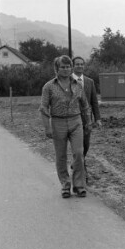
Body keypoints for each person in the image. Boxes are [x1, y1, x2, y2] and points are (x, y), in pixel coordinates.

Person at [40, 55, 91, 198]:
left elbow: (85, 105)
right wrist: (47, 127)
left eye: (68, 66)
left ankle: (79, 185)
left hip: (76, 122)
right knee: (61, 156)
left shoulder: (77, 84)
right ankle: (65, 185)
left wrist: (88, 123)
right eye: (63, 67)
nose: (66, 69)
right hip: (58, 123)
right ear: (57, 69)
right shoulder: (49, 86)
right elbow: (43, 108)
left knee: (79, 153)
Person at [72, 56, 102, 183]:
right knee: (78, 147)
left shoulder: (89, 82)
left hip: (87, 120)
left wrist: (97, 118)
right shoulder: (67, 81)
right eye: (77, 64)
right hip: (72, 118)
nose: (79, 66)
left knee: (86, 145)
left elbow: (94, 102)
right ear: (73, 66)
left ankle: (77, 163)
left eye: (81, 64)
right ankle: (83, 172)